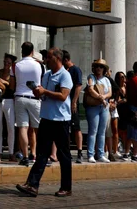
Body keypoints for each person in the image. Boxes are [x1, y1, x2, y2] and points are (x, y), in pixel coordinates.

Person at [16, 48, 73, 198]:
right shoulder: (47, 74)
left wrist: (45, 92)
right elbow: (45, 95)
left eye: (48, 57)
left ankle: (66, 187)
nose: (46, 60)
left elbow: (63, 96)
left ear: (57, 58)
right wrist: (38, 93)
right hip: (46, 118)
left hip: (60, 120)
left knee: (64, 155)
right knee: (42, 153)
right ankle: (32, 185)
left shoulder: (65, 75)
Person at [14, 41, 43, 166]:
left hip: (20, 96)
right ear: (32, 51)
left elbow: (12, 83)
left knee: (23, 128)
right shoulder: (39, 65)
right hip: (35, 97)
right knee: (36, 129)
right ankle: (35, 154)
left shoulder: (16, 65)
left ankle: (25, 156)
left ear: (22, 51)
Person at [83, 58, 111, 163]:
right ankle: (90, 154)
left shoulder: (106, 80)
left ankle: (100, 154)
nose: (99, 68)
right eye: (97, 66)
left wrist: (103, 98)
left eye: (101, 67)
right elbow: (90, 90)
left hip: (103, 107)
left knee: (102, 131)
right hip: (93, 107)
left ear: (104, 69)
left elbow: (110, 93)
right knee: (92, 131)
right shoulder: (91, 77)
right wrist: (101, 98)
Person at [62, 51, 84, 164]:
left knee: (76, 127)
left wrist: (74, 102)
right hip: (64, 103)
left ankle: (80, 152)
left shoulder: (75, 70)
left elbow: (78, 86)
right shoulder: (65, 71)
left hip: (71, 103)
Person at [0, 53, 17, 162]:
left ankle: (11, 153)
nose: (6, 64)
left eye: (8, 62)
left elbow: (12, 87)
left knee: (10, 127)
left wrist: (4, 82)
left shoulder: (13, 74)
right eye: (5, 62)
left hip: (9, 100)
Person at [108, 71, 126, 161]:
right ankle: (108, 150)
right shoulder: (109, 82)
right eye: (121, 77)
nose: (123, 79)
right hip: (109, 107)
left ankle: (115, 150)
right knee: (108, 130)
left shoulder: (119, 88)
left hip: (115, 109)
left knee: (115, 130)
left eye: (123, 77)